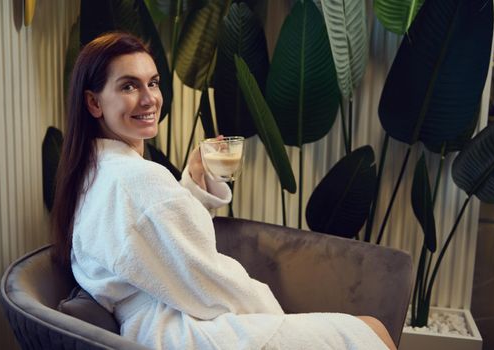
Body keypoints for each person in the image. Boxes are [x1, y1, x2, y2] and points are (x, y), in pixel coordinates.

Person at [51, 32, 396, 350]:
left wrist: (193, 181)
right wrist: (269, 314)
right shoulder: (136, 179)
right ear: (94, 103)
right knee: (370, 330)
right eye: (128, 86)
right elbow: (204, 282)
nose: (149, 99)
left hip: (147, 331)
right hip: (186, 333)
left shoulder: (92, 174)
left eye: (153, 83)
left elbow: (150, 249)